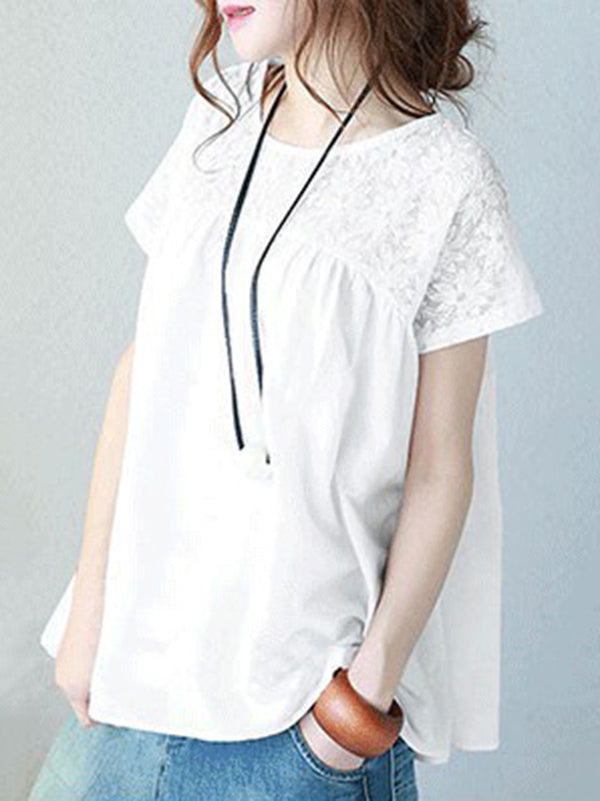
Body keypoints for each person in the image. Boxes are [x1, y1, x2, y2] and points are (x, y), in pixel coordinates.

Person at [28, 1, 545, 799]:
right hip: (126, 696)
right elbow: (144, 364)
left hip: (296, 727)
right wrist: (88, 606)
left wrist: (356, 706)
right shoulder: (219, 117)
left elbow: (442, 470)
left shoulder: (443, 176)